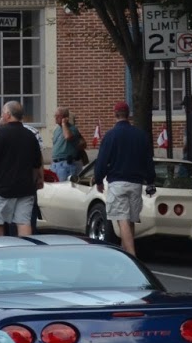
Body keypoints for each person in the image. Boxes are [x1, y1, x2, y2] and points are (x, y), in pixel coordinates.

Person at [95, 100, 155, 256]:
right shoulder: (141, 136)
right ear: (128, 115)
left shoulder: (110, 136)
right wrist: (150, 180)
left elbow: (102, 160)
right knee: (130, 220)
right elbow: (148, 160)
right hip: (136, 184)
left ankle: (131, 255)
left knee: (122, 220)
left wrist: (98, 179)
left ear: (115, 114)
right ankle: (125, 254)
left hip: (118, 183)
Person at [0, 101, 43, 238]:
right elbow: (37, 163)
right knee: (24, 223)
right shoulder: (30, 136)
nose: (1, 115)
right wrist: (37, 180)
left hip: (1, 188)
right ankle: (24, 255)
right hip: (25, 189)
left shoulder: (1, 133)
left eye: (3, 112)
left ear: (8, 115)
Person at [51, 105, 87, 183]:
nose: (55, 118)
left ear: (64, 117)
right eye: (55, 116)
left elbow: (68, 137)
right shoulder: (57, 130)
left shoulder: (71, 128)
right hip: (56, 164)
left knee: (64, 189)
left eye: (57, 116)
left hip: (66, 165)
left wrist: (64, 123)